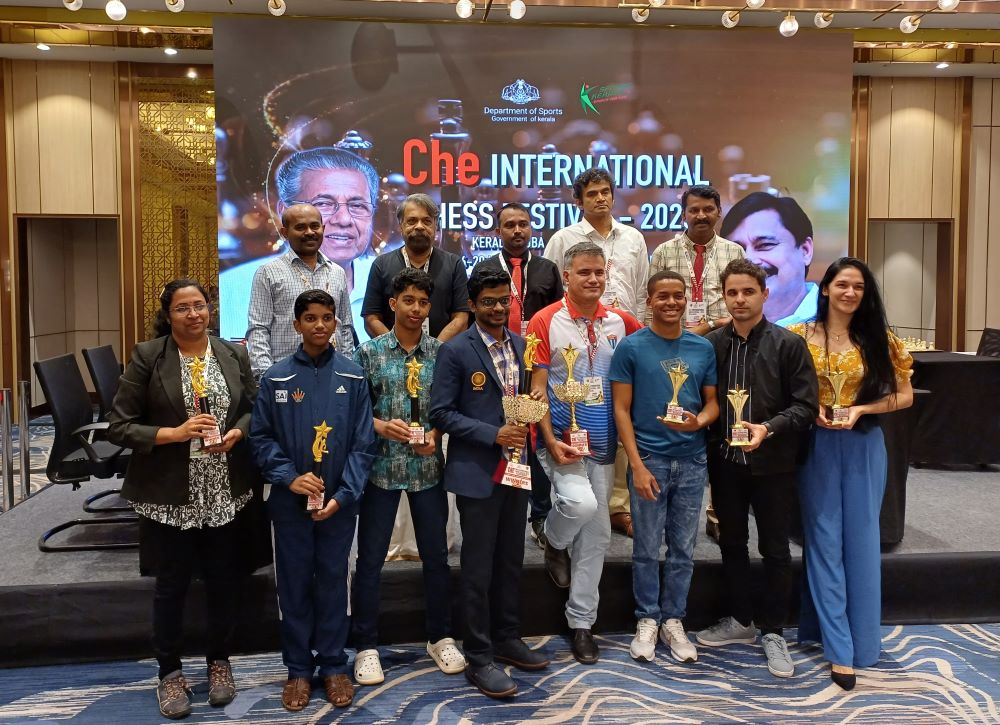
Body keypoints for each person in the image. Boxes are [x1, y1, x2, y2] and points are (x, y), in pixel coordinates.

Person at [107, 278, 258, 720]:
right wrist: (173, 434)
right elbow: (119, 426)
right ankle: (169, 672)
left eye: (200, 306)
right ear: (168, 315)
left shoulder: (232, 353)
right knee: (171, 585)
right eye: (183, 308)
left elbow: (252, 409)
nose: (194, 314)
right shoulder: (148, 357)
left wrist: (237, 433)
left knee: (223, 581)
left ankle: (219, 662)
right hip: (170, 493)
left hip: (223, 488)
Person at [789, 257, 913, 691]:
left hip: (864, 446)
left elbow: (904, 396)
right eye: (842, 284)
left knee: (861, 543)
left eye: (858, 286)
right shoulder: (797, 336)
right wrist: (809, 412)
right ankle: (839, 649)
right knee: (823, 541)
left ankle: (861, 640)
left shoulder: (880, 338)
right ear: (825, 288)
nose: (850, 293)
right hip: (815, 446)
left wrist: (862, 408)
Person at [250, 289, 376, 711]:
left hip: (339, 504)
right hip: (290, 504)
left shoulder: (353, 377)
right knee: (294, 584)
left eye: (327, 317)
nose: (319, 325)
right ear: (296, 324)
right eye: (310, 318)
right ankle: (299, 669)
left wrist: (344, 495)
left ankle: (334, 665)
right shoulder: (276, 379)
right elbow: (261, 439)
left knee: (334, 582)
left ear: (337, 322)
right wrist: (289, 477)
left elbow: (363, 444)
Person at [429, 266, 550, 699]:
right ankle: (479, 656)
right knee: (478, 568)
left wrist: (535, 403)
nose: (497, 308)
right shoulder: (455, 351)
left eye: (503, 301)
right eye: (488, 302)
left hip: (517, 470)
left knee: (510, 560)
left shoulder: (521, 345)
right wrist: (492, 434)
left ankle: (507, 637)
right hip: (478, 472)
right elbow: (441, 413)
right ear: (473, 304)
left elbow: (524, 402)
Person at [694, 259, 818, 678]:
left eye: (748, 291)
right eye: (732, 292)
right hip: (726, 462)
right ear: (724, 297)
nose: (740, 299)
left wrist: (768, 428)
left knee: (775, 549)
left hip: (773, 464)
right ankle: (741, 619)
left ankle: (773, 630)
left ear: (764, 294)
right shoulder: (712, 345)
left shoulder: (789, 344)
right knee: (731, 543)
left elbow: (806, 406)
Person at [529, 241, 642, 665]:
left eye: (599, 272)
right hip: (561, 441)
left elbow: (653, 351)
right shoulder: (544, 320)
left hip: (604, 444)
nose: (593, 279)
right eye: (584, 272)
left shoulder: (622, 322)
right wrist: (548, 439)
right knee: (580, 505)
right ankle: (554, 541)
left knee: (597, 537)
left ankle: (581, 624)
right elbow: (537, 389)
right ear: (567, 276)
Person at [351, 268, 465, 686]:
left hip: (427, 470)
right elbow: (354, 413)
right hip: (380, 471)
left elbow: (450, 409)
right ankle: (366, 645)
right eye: (408, 301)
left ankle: (440, 637)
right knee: (370, 561)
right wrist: (381, 426)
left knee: (436, 558)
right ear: (393, 304)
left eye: (423, 302)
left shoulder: (442, 354)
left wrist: (435, 434)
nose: (416, 309)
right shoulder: (369, 353)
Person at [609, 270, 718, 664]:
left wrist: (698, 422)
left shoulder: (702, 348)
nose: (671, 303)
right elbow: (621, 409)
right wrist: (637, 465)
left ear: (686, 299)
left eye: (678, 296)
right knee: (646, 546)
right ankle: (647, 618)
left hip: (692, 460)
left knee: (683, 548)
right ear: (649, 300)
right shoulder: (631, 347)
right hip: (649, 459)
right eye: (663, 296)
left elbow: (712, 403)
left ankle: (674, 619)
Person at [542, 168, 650, 541]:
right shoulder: (563, 238)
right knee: (581, 414)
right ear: (579, 201)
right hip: (574, 337)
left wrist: (637, 339)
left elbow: (641, 292)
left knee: (618, 417)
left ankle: (618, 506)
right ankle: (570, 507)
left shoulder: (634, 238)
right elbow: (552, 286)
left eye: (605, 192)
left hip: (621, 336)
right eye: (592, 194)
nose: (600, 199)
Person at [648, 184, 745, 542]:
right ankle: (665, 504)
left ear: (719, 212)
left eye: (708, 209)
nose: (701, 216)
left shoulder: (734, 251)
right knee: (676, 418)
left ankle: (717, 511)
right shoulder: (664, 252)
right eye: (694, 210)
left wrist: (706, 326)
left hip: (723, 347)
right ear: (684, 213)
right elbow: (651, 306)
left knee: (721, 423)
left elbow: (737, 305)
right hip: (674, 349)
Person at [220, 147, 379, 344]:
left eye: (357, 205)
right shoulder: (232, 288)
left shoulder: (388, 279)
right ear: (285, 212)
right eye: (324, 203)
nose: (344, 219)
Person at [474, 202, 563, 549]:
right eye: (509, 225)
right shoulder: (484, 268)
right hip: (496, 362)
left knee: (533, 437)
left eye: (523, 224)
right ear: (498, 231)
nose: (517, 231)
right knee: (504, 431)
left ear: (531, 228)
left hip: (536, 363)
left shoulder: (547, 268)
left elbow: (557, 316)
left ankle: (539, 514)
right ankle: (497, 506)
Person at [245, 203, 355, 378]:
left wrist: (346, 370)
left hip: (333, 374)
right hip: (285, 375)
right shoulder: (268, 273)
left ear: (323, 228)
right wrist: (267, 376)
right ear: (285, 233)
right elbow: (259, 328)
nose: (310, 232)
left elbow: (346, 327)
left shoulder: (337, 272)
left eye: (315, 226)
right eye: (300, 227)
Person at [362, 193, 470, 342]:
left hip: (443, 353)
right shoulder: (381, 264)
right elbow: (371, 318)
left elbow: (461, 318)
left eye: (426, 221)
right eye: (412, 221)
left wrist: (435, 350)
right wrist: (395, 350)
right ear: (400, 226)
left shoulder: (454, 264)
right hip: (391, 355)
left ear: (436, 225)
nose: (419, 226)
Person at [720, 192, 819, 327]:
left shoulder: (839, 316)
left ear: (805, 251)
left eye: (765, 245)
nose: (749, 259)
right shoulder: (714, 326)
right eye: (737, 250)